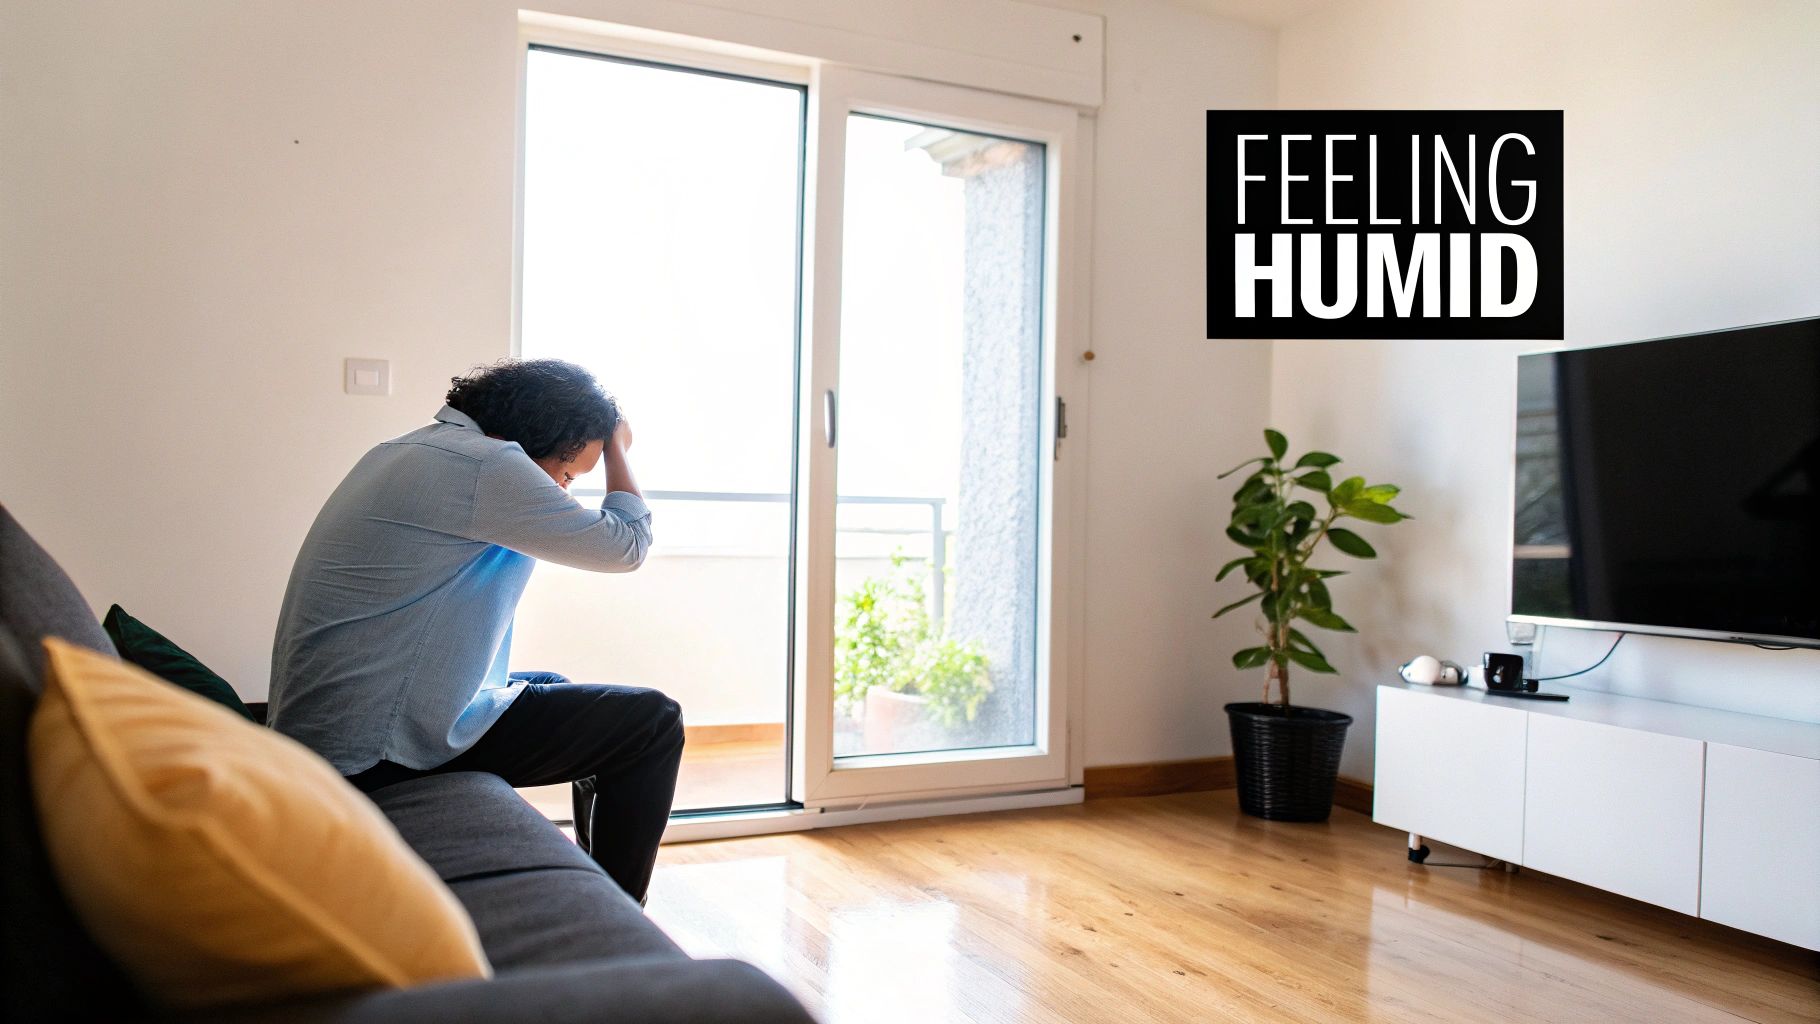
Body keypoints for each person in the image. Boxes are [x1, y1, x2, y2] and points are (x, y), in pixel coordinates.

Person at [268, 358, 681, 906]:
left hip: (332, 732)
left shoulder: (408, 450)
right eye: (567, 472)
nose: (561, 489)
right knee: (651, 723)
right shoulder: (487, 466)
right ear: (543, 435)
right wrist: (618, 447)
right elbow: (625, 546)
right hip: (373, 753)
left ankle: (593, 879)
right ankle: (622, 910)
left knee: (553, 686)